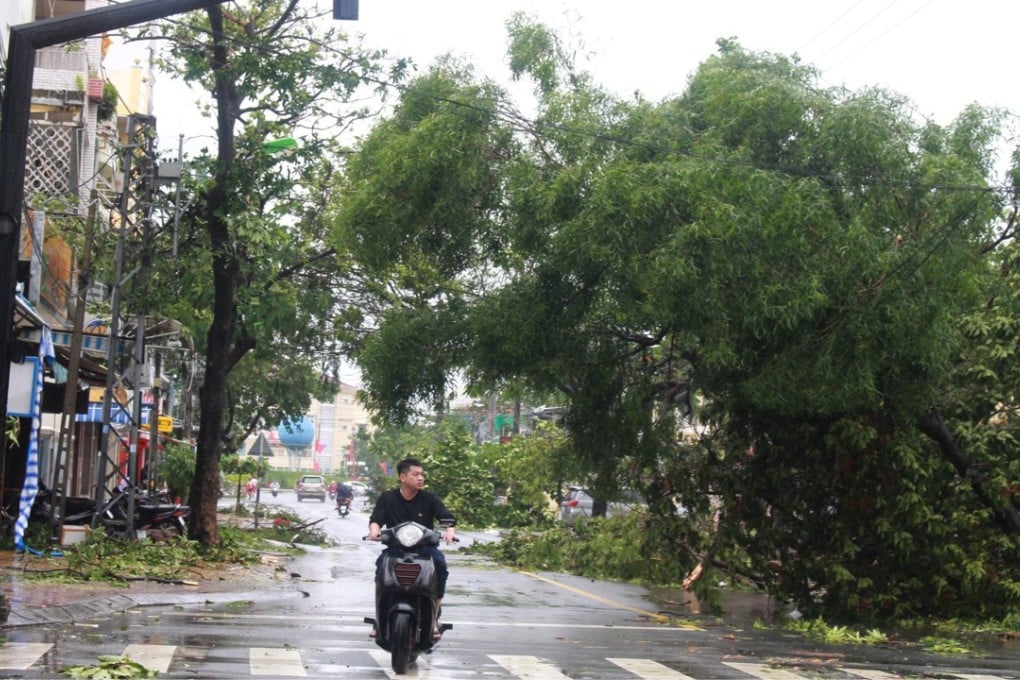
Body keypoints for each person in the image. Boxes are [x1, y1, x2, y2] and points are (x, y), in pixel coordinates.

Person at [368, 458, 456, 638]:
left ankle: (433, 620)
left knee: (439, 565)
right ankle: (380, 619)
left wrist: (450, 531)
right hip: (395, 549)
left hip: (425, 550)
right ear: (402, 477)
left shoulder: (429, 498)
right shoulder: (388, 498)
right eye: (415, 475)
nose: (420, 478)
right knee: (381, 567)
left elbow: (446, 517)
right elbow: (376, 519)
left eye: (422, 475)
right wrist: (374, 531)